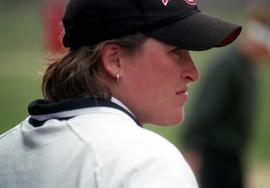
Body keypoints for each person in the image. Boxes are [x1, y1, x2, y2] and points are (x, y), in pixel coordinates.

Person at [0, 0, 241, 187]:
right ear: (115, 60)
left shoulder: (6, 149)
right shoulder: (148, 164)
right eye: (176, 50)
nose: (193, 72)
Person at [182, 1, 270, 188]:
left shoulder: (247, 68)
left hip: (233, 156)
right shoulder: (228, 66)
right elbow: (203, 110)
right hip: (214, 156)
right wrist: (193, 147)